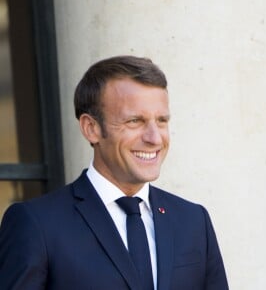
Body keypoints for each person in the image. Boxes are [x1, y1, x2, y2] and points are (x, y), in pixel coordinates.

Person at [0, 55, 229, 290]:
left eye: (161, 121)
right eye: (134, 121)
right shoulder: (37, 225)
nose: (154, 138)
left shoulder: (193, 221)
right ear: (91, 128)